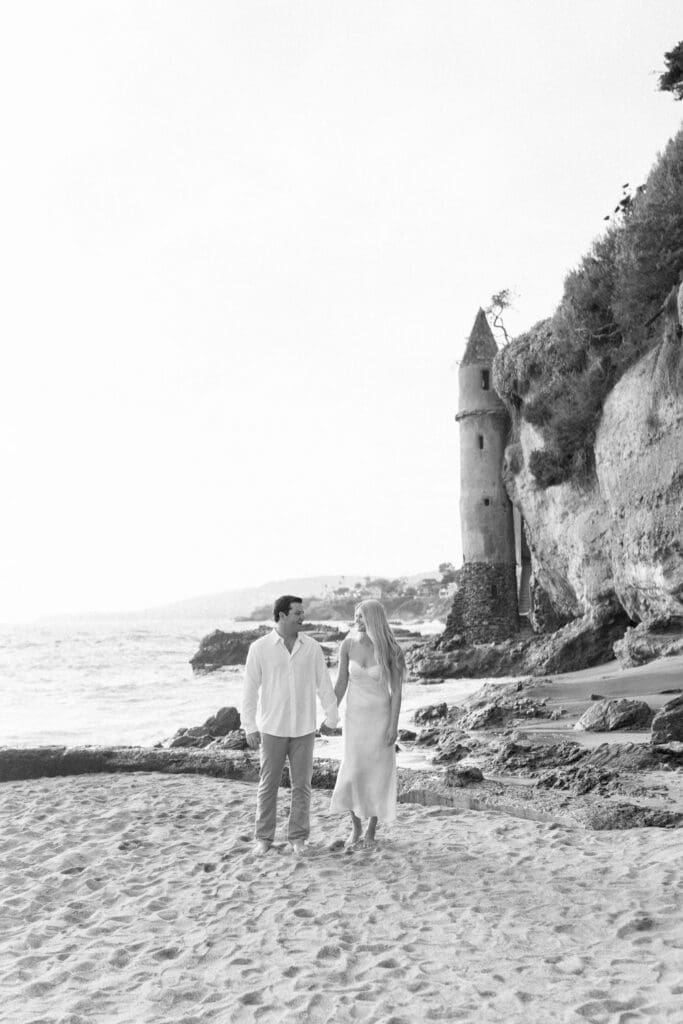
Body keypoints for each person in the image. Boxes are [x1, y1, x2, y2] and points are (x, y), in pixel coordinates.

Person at [241, 595, 339, 856]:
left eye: (302, 612)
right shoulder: (260, 648)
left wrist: (332, 718)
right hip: (272, 728)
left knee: (302, 786)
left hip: (304, 728)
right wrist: (249, 725)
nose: (302, 617)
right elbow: (250, 690)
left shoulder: (312, 647)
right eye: (297, 613)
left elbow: (324, 685)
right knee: (268, 784)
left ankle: (298, 838)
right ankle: (263, 838)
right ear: (282, 615)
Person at [329, 599, 405, 847]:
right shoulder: (348, 645)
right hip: (355, 721)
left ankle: (371, 831)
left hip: (380, 720)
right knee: (353, 772)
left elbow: (396, 692)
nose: (357, 620)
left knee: (377, 775)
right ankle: (355, 828)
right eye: (355, 616)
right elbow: (340, 684)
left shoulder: (391, 650)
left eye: (361, 616)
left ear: (373, 618)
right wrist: (330, 715)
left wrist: (393, 726)